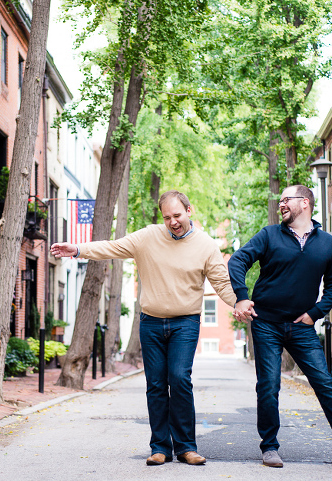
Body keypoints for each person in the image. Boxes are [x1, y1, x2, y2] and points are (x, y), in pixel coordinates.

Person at [51, 190, 236, 466]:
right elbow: (112, 247)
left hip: (185, 322)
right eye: (167, 217)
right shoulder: (148, 237)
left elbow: (221, 282)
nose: (173, 222)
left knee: (179, 378)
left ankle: (186, 447)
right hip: (150, 322)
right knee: (156, 385)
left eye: (177, 215)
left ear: (189, 210)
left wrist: (240, 304)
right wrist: (78, 249)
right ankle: (160, 447)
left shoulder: (206, 245)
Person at [227, 184, 332, 470]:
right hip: (266, 323)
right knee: (268, 385)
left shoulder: (326, 242)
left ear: (304, 203)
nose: (281, 204)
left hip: (301, 327)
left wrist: (315, 313)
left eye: (286, 200)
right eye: (280, 201)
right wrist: (242, 297)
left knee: (325, 384)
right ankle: (269, 447)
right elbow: (238, 260)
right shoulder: (269, 235)